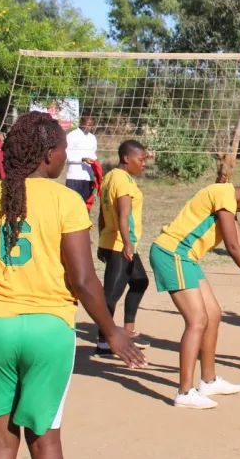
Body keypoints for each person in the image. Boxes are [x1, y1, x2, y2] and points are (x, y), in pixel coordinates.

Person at [0, 111, 145, 459]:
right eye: (62, 148)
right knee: (44, 441)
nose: (65, 155)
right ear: (47, 155)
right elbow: (84, 280)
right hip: (49, 329)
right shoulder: (66, 200)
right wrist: (110, 330)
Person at [149, 181, 240, 409]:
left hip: (187, 257)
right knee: (197, 320)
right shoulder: (224, 194)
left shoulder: (228, 205)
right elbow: (232, 246)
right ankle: (185, 392)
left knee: (213, 314)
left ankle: (208, 381)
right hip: (172, 253)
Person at [94, 140, 150, 357]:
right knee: (110, 295)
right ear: (127, 158)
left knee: (140, 281)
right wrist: (127, 244)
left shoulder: (110, 177)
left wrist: (101, 241)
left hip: (113, 241)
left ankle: (127, 330)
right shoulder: (123, 181)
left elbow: (102, 212)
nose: (144, 163)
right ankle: (103, 342)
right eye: (141, 159)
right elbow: (122, 215)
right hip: (120, 244)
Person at [65, 115, 97, 202]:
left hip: (88, 177)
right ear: (81, 123)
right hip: (74, 177)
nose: (89, 128)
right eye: (87, 125)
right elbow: (66, 155)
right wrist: (82, 159)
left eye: (91, 125)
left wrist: (96, 163)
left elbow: (93, 154)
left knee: (86, 205)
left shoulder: (92, 138)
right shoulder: (71, 136)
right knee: (73, 203)